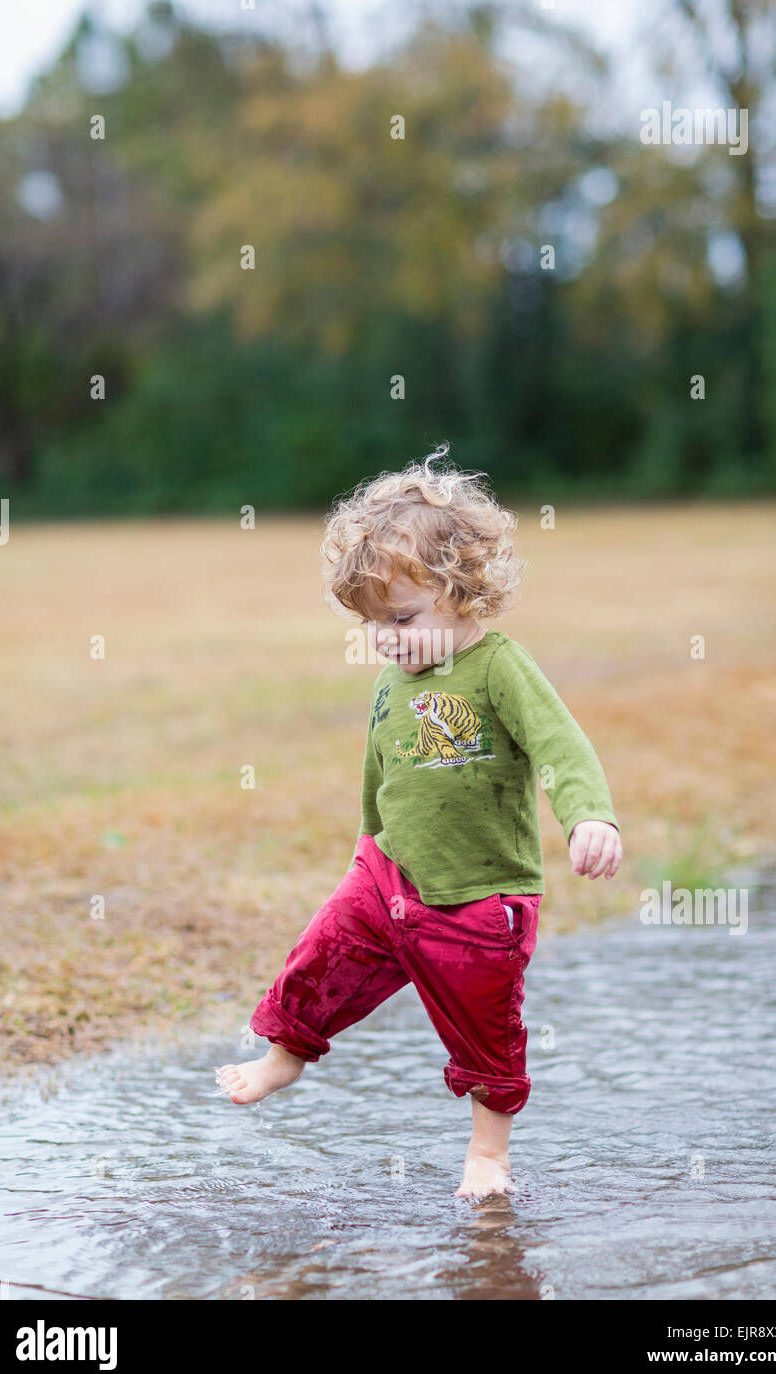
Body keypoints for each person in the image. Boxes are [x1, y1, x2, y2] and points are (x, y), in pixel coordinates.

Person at [216, 445, 622, 1198]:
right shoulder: (390, 679)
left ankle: (488, 1153)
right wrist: (364, 852)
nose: (386, 638)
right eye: (373, 624)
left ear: (460, 590)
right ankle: (287, 1051)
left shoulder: (498, 666)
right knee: (319, 953)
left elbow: (560, 745)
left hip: (479, 896)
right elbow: (380, 774)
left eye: (401, 618)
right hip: (388, 872)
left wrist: (590, 816)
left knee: (485, 1030)